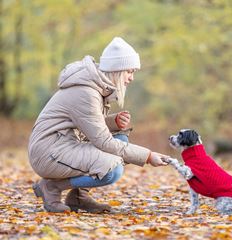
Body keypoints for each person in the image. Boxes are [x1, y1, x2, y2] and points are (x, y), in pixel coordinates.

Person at [28, 37, 169, 213]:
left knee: (120, 136)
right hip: (48, 152)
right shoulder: (86, 92)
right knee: (112, 170)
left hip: (62, 146)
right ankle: (52, 187)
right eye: (129, 71)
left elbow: (87, 126)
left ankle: (78, 197)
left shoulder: (94, 87)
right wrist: (148, 156)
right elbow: (104, 142)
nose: (131, 78)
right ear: (117, 69)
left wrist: (113, 122)